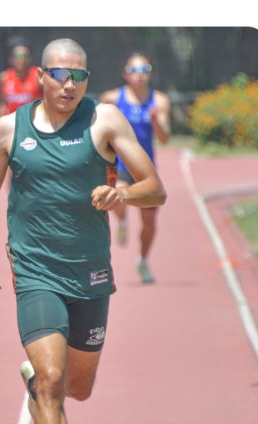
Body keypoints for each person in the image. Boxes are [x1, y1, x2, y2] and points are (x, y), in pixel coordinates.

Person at [0, 39, 165, 424]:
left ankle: (41, 379)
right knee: (52, 381)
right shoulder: (10, 129)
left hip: (91, 273)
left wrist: (124, 192)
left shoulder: (106, 121)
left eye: (79, 76)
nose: (69, 85)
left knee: (79, 387)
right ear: (40, 76)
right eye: (60, 74)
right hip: (35, 271)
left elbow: (156, 188)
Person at [107, 54, 170, 283]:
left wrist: (156, 122)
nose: (139, 74)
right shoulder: (113, 98)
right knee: (117, 194)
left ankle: (142, 260)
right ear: (125, 73)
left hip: (146, 168)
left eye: (145, 69)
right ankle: (122, 221)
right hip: (121, 163)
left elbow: (164, 138)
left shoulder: (159, 100)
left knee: (150, 221)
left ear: (150, 73)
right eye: (134, 69)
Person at [0, 45, 37, 120]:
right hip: (12, 121)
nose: (22, 60)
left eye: (25, 56)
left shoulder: (37, 76)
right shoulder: (4, 77)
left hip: (32, 120)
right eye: (18, 57)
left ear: (30, 59)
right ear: (11, 60)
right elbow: (3, 103)